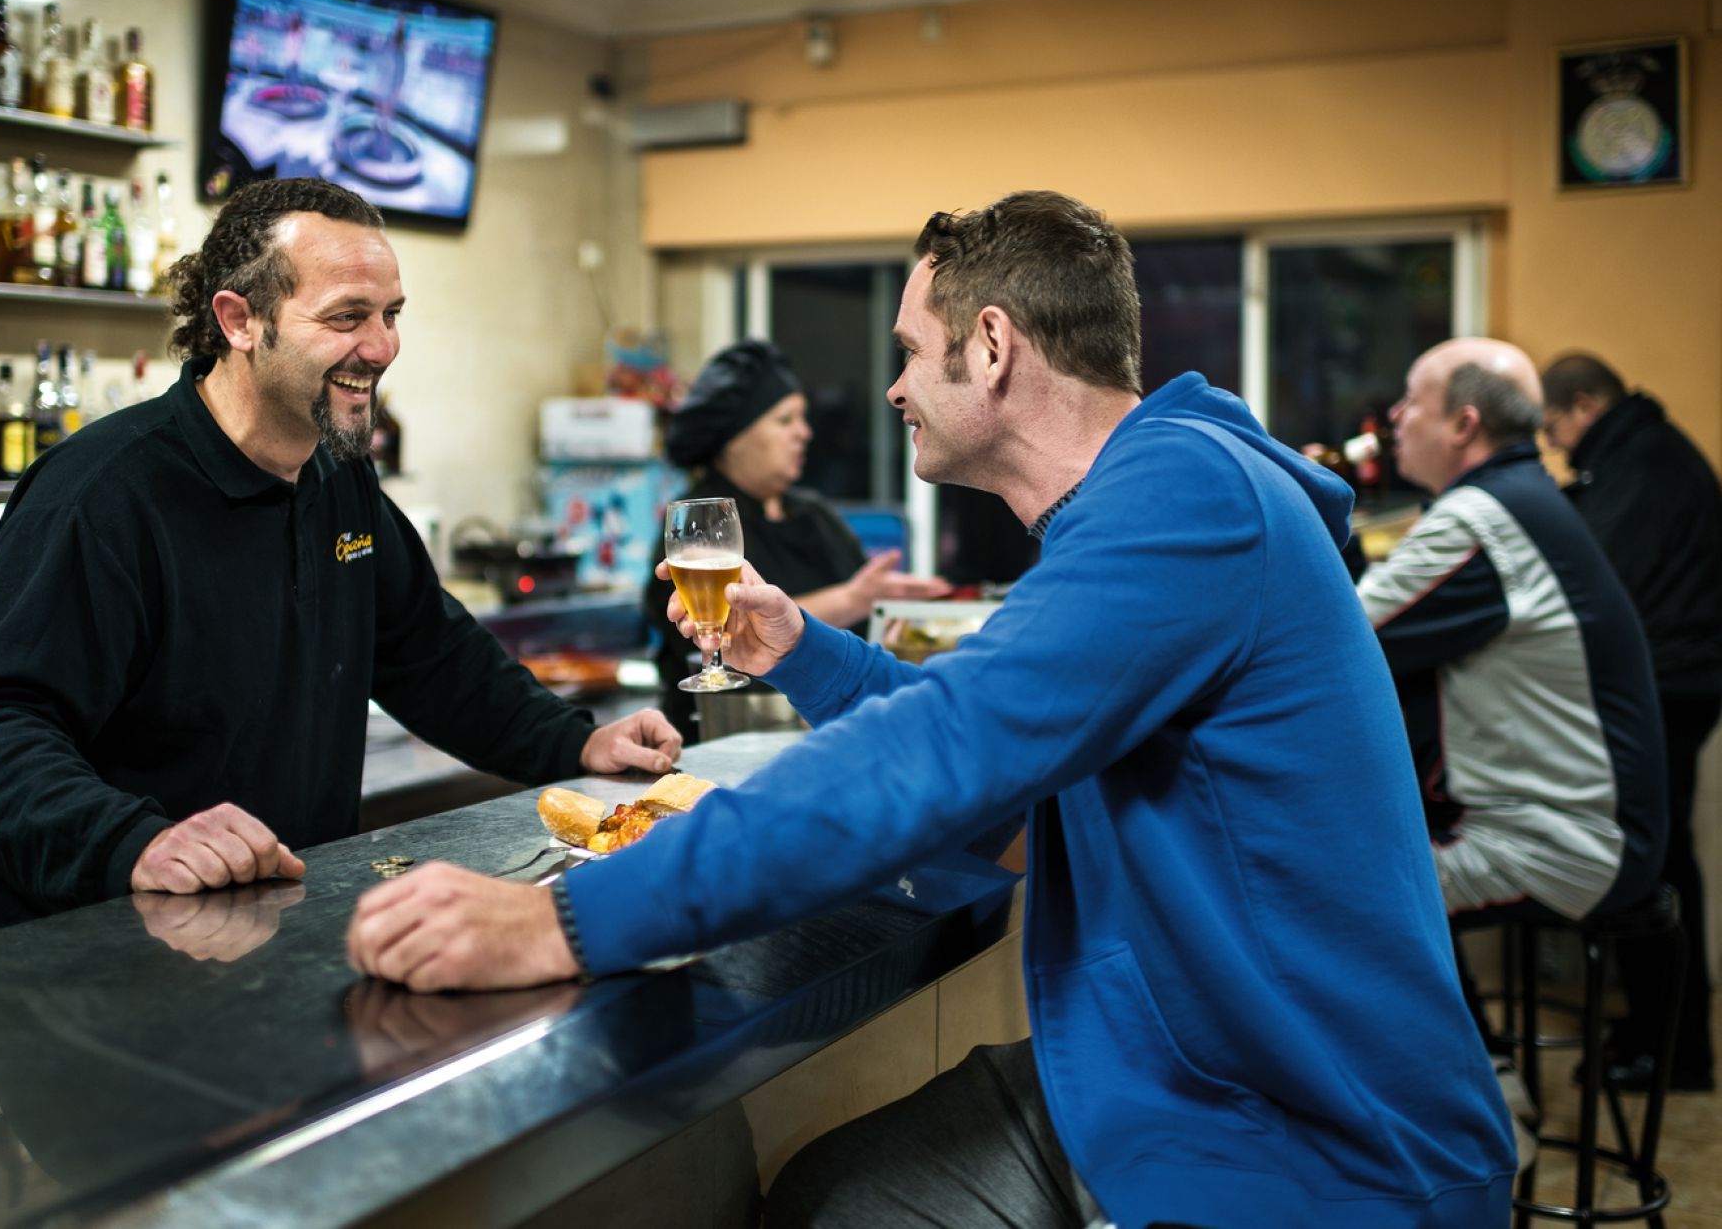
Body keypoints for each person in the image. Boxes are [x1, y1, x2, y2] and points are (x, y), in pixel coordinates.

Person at [348, 191, 1515, 1228]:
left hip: (1311, 1146)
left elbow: (939, 754)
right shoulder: (1173, 485)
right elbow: (989, 754)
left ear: (992, 345)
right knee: (834, 1193)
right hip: (1185, 1073)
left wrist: (564, 923)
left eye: (910, 351)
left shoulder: (1185, 496)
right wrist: (804, 652)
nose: (895, 387)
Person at [0, 177, 680, 943]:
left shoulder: (337, 475)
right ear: (239, 320)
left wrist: (574, 741)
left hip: (257, 933)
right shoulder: (104, 495)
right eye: (347, 317)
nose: (381, 347)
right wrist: (134, 840)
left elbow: (431, 654)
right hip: (73, 957)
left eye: (390, 315)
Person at [1357, 339, 1666, 927]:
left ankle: (1445, 999)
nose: (1394, 415)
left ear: (1463, 425)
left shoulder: (1478, 519)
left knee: (1326, 895)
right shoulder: (1523, 494)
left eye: (1411, 400)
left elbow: (1338, 638)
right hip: (1590, 829)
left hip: (1561, 847)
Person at [1542, 351, 1720, 1091]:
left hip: (1666, 687)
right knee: (1658, 855)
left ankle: (1673, 1050)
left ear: (1585, 404)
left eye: (1555, 427)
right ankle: (1659, 1033)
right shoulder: (1643, 453)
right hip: (1678, 681)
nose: (1554, 445)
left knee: (1654, 863)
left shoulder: (1640, 463)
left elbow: (1596, 580)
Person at [643, 338, 950, 739]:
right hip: (727, 735)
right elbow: (714, 631)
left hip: (835, 729)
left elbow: (866, 617)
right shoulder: (698, 525)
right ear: (734, 438)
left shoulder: (815, 514)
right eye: (785, 420)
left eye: (803, 419)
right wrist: (852, 599)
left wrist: (889, 614)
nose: (804, 433)